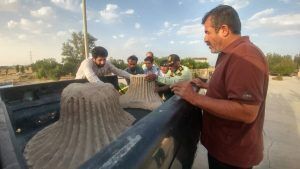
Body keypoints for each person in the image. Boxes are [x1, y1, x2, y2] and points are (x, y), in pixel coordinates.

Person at [171, 5, 269, 169]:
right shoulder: (228, 54)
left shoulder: (244, 55)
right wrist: (206, 85)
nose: (205, 39)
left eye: (207, 32)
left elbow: (247, 111)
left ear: (223, 30)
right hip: (222, 148)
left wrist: (194, 97)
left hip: (232, 155)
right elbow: (230, 89)